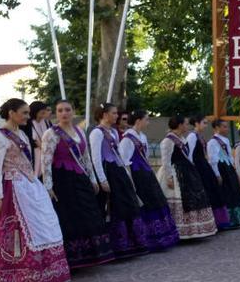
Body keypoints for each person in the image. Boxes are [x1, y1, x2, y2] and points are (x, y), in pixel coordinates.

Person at [0, 99, 71, 282]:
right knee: (8, 232)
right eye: (24, 113)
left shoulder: (21, 133)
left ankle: (43, 273)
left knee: (40, 226)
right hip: (8, 189)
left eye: (28, 113)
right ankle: (6, 278)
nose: (27, 117)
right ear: (11, 113)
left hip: (27, 186)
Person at [41, 100, 115, 268]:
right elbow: (45, 161)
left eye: (67, 110)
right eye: (60, 110)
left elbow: (86, 158)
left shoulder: (80, 131)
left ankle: (91, 255)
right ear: (56, 113)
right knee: (69, 217)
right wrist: (48, 187)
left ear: (73, 111)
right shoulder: (51, 134)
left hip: (80, 178)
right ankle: (72, 259)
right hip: (62, 180)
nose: (64, 113)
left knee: (89, 213)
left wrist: (93, 179)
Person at [90, 103, 149, 258]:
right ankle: (116, 245)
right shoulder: (97, 132)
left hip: (118, 170)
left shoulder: (114, 132)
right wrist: (102, 179)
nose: (117, 116)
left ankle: (132, 243)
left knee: (128, 204)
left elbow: (119, 155)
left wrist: (126, 174)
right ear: (104, 114)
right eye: (114, 113)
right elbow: (95, 158)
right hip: (107, 171)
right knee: (114, 207)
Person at [118, 111, 180, 250]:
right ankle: (148, 239)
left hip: (146, 174)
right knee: (146, 204)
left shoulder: (143, 136)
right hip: (137, 176)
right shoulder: (127, 139)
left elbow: (145, 156)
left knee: (157, 201)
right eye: (146, 119)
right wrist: (131, 183)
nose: (148, 122)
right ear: (138, 121)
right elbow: (124, 162)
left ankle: (162, 237)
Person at [158, 116, 218, 239]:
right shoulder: (168, 140)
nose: (187, 126)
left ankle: (193, 230)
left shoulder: (182, 138)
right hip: (175, 172)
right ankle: (179, 231)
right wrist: (169, 177)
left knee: (194, 198)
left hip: (187, 171)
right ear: (179, 125)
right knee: (179, 200)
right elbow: (166, 161)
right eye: (185, 124)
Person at [187, 116, 234, 228]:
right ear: (197, 123)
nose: (206, 125)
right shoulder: (192, 136)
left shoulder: (200, 136)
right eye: (204, 123)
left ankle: (217, 221)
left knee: (214, 192)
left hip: (204, 165)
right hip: (198, 167)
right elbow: (189, 155)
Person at [207, 120, 240, 229]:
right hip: (221, 169)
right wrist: (217, 174)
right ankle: (226, 221)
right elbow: (213, 159)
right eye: (224, 127)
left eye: (227, 127)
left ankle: (237, 220)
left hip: (229, 168)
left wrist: (234, 168)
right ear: (216, 128)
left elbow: (230, 155)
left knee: (234, 191)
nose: (227, 129)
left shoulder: (225, 140)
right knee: (225, 193)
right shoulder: (212, 142)